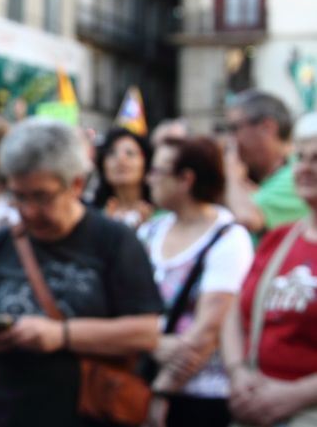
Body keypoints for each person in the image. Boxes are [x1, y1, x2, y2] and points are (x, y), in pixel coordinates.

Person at [0, 118, 164, 427]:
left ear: (76, 184)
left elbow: (146, 331)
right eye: (19, 196)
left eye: (41, 196)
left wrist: (61, 335)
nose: (28, 210)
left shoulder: (114, 241)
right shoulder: (1, 244)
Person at [138, 136, 254, 427]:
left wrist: (161, 391)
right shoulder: (151, 231)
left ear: (186, 179)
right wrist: (153, 343)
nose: (149, 179)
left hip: (203, 395)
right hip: (141, 379)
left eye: (158, 171)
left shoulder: (228, 237)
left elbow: (208, 330)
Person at [221, 112, 317, 426]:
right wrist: (238, 373)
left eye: (316, 159)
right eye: (301, 158)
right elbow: (234, 312)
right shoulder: (278, 238)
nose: (305, 169)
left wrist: (295, 395)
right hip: (255, 405)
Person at [224, 89, 309, 236]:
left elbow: (247, 217)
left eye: (235, 128)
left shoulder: (299, 174)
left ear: (267, 127)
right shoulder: (275, 174)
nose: (230, 139)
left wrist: (231, 172)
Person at [93, 127, 154, 228]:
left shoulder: (163, 217)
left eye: (130, 153)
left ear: (146, 164)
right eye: (112, 153)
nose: (121, 159)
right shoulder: (94, 217)